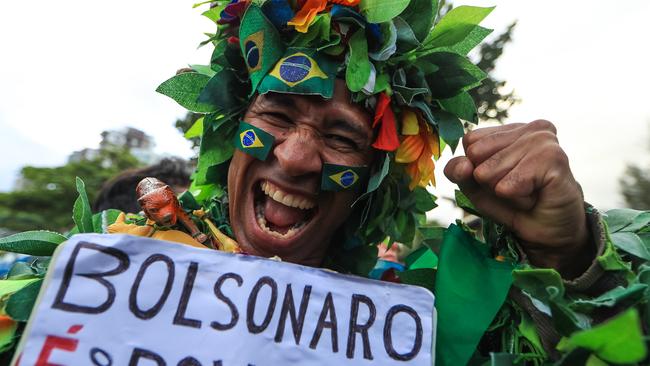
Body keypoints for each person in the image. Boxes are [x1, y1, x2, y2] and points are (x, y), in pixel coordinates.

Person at [1, 1, 647, 364]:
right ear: (229, 135)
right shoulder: (106, 272)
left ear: (376, 180)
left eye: (342, 137)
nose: (300, 157)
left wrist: (572, 256)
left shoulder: (437, 318)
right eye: (276, 114)